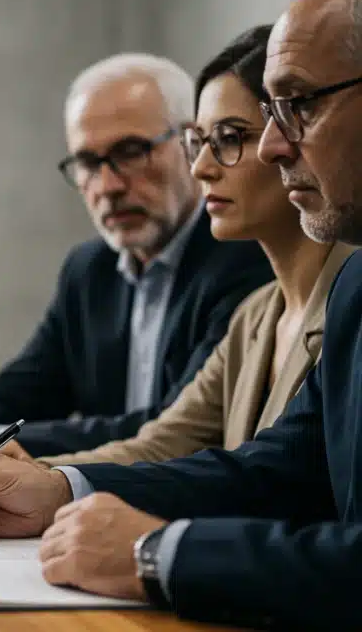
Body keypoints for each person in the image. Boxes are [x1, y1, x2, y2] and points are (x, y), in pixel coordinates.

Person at [0, 0, 362, 626]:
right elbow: (274, 469)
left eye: (297, 106)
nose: (270, 145)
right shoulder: (349, 291)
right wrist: (53, 489)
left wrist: (156, 553)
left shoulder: (278, 278)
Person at [0, 53, 274, 469]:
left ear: (192, 143)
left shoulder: (246, 256)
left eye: (131, 151)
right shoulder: (89, 268)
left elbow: (176, 429)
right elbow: (26, 392)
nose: (108, 185)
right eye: (87, 163)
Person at [39, 26, 356, 467]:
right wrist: (35, 478)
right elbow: (163, 444)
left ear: (290, 138)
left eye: (230, 138)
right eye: (199, 142)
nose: (202, 168)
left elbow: (270, 483)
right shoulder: (255, 317)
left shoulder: (349, 301)